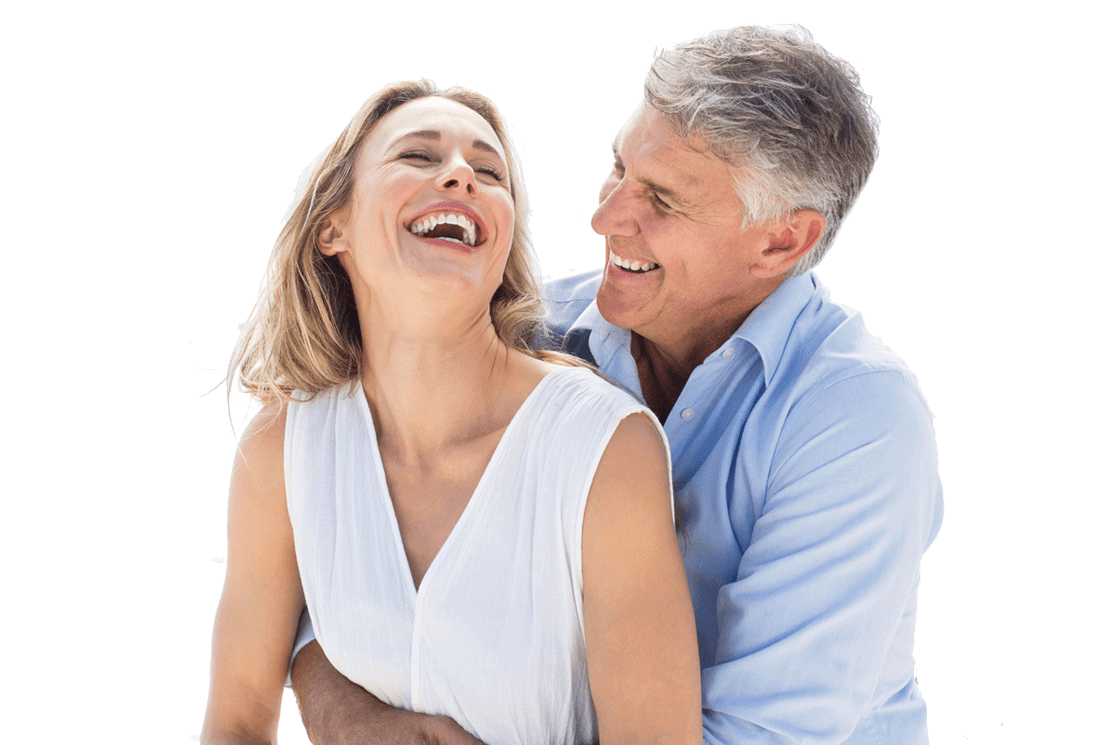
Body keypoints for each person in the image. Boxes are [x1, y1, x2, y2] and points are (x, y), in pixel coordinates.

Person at [289, 26, 944, 745]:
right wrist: (353, 719)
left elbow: (754, 735)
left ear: (780, 241)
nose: (603, 218)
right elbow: (339, 567)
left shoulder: (857, 419)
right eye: (618, 168)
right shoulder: (524, 335)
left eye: (661, 199)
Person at [200, 80, 701, 745]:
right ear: (332, 228)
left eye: (489, 172)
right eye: (418, 155)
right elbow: (235, 724)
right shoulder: (280, 449)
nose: (462, 175)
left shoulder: (604, 448)